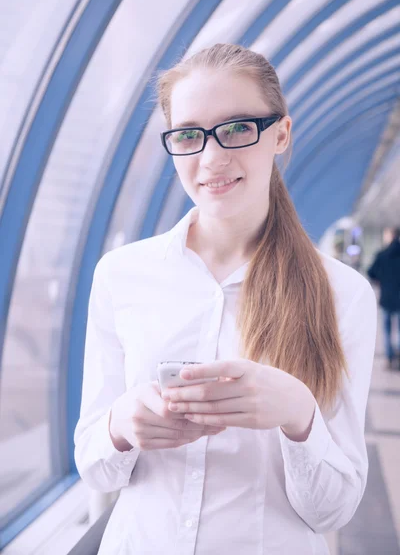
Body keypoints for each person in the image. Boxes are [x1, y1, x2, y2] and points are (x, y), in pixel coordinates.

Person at [74, 43, 377, 554]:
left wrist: (296, 413)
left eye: (237, 128)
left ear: (281, 133)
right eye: (189, 135)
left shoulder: (342, 294)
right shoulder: (122, 276)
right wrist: (124, 424)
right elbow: (93, 465)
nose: (212, 157)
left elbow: (333, 510)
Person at [367, 228, 400, 370]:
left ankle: (389, 357)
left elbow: (371, 272)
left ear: (390, 236)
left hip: (386, 297)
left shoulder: (382, 255)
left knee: (386, 330)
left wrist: (381, 280)